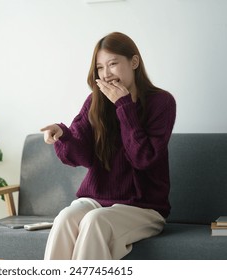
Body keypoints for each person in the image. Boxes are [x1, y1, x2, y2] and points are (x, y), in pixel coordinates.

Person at [40, 32, 176, 260]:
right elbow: (81, 156)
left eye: (113, 64)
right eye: (100, 68)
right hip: (97, 198)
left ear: (134, 62)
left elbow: (143, 158)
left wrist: (124, 106)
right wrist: (63, 134)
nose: (107, 74)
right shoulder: (95, 101)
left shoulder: (161, 102)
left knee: (95, 221)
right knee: (65, 218)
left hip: (144, 207)